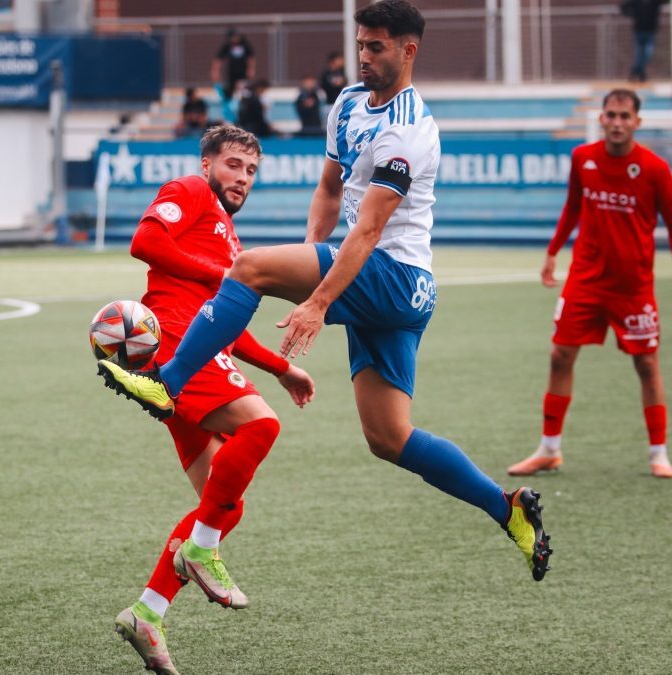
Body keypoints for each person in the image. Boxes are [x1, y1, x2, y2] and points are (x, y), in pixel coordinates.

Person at [97, 0, 553, 591]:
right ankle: (506, 507)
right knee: (389, 438)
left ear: (408, 50)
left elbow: (368, 230)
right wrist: (309, 261)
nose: (364, 56)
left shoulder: (411, 129)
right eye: (361, 44)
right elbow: (330, 189)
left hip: (395, 277)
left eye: (377, 47)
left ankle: (168, 383)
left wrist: (313, 297)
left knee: (249, 266)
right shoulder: (346, 105)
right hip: (377, 281)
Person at [112, 125, 316, 675]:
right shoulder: (191, 191)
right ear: (207, 164)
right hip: (176, 341)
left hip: (195, 346)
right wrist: (224, 275)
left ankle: (147, 612)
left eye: (250, 170)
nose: (241, 178)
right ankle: (199, 554)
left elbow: (222, 323)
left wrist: (282, 367)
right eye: (232, 165)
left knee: (224, 505)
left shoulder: (228, 235)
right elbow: (145, 243)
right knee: (261, 428)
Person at [507, 89, 672, 480]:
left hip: (633, 286)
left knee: (646, 363)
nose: (616, 122)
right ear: (602, 118)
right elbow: (573, 205)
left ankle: (659, 453)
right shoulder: (583, 157)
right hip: (586, 280)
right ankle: (549, 449)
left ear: (637, 122)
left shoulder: (655, 169)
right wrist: (554, 250)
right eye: (610, 115)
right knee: (560, 356)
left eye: (625, 116)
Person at [621, 0, 669, 82]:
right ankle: (642, 74)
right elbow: (623, 6)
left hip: (650, 32)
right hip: (638, 31)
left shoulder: (655, 2)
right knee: (639, 55)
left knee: (648, 54)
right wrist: (631, 14)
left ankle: (635, 71)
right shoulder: (636, 2)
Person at [211, 29, 255, 101]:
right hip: (232, 71)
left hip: (242, 71)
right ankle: (230, 103)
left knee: (243, 89)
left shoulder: (244, 44)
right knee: (230, 89)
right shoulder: (228, 45)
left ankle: (244, 102)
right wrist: (215, 71)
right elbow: (218, 58)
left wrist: (251, 69)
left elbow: (251, 57)